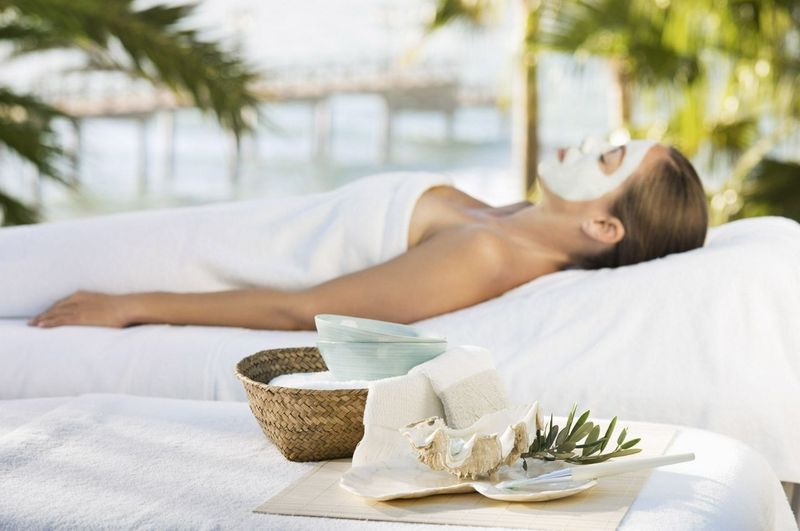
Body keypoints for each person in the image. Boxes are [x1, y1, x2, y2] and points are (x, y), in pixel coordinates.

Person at [28, 139, 708, 330]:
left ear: (601, 224)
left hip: (183, 264)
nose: (593, 141)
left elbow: (305, 309)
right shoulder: (503, 218)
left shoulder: (487, 253)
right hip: (199, 232)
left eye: (611, 157)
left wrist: (131, 304)